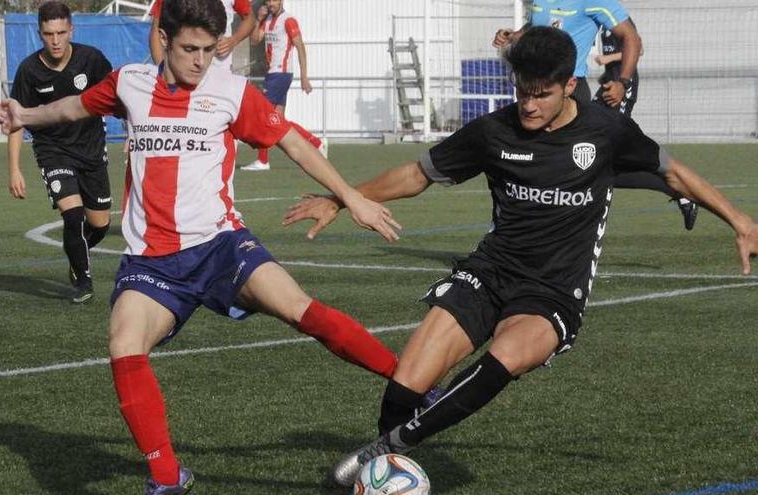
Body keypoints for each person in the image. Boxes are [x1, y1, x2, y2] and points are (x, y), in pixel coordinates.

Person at [283, 26, 758, 488]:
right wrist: (342, 198)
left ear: (570, 85)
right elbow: (417, 174)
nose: (528, 105)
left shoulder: (607, 131)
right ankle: (389, 454)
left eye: (542, 95)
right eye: (522, 92)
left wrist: (740, 221)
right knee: (405, 383)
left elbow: (674, 173)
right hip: (490, 273)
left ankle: (386, 451)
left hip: (554, 290)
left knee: (505, 356)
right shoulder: (493, 131)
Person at [0, 1, 412, 493]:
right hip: (154, 262)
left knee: (301, 309)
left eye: (210, 50)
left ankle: (415, 386)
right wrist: (26, 114)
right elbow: (71, 107)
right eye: (190, 49)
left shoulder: (231, 92)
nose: (200, 61)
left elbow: (293, 143)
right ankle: (168, 480)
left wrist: (352, 198)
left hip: (220, 246)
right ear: (165, 42)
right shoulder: (130, 82)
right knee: (123, 343)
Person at [493, 0, 699, 230]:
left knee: (585, 167)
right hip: (536, 89)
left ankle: (673, 184)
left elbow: (632, 38)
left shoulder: (595, 2)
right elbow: (535, 29)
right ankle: (518, 227)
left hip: (568, 92)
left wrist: (622, 82)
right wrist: (512, 36)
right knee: (540, 161)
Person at [7, 1, 114, 304]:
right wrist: (14, 169)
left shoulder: (92, 60)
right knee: (74, 216)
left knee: (100, 225)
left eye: (60, 32)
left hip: (91, 151)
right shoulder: (29, 71)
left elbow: (117, 96)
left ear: (71, 30)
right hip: (53, 151)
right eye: (48, 33)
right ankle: (84, 282)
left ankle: (76, 254)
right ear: (39, 33)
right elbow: (16, 121)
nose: (55, 40)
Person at [241, 0, 326, 171]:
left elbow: (300, 46)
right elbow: (255, 40)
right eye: (268, 1)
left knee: (263, 115)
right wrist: (258, 19)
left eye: (274, 0)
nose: (270, 4)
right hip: (273, 74)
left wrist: (304, 76)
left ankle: (263, 161)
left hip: (281, 74)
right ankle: (316, 143)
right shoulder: (268, 20)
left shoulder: (289, 20)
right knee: (278, 119)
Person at [149, 0, 255, 70]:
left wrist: (233, 41)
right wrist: (161, 68)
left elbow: (250, 19)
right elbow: (156, 29)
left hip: (219, 70)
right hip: (181, 71)